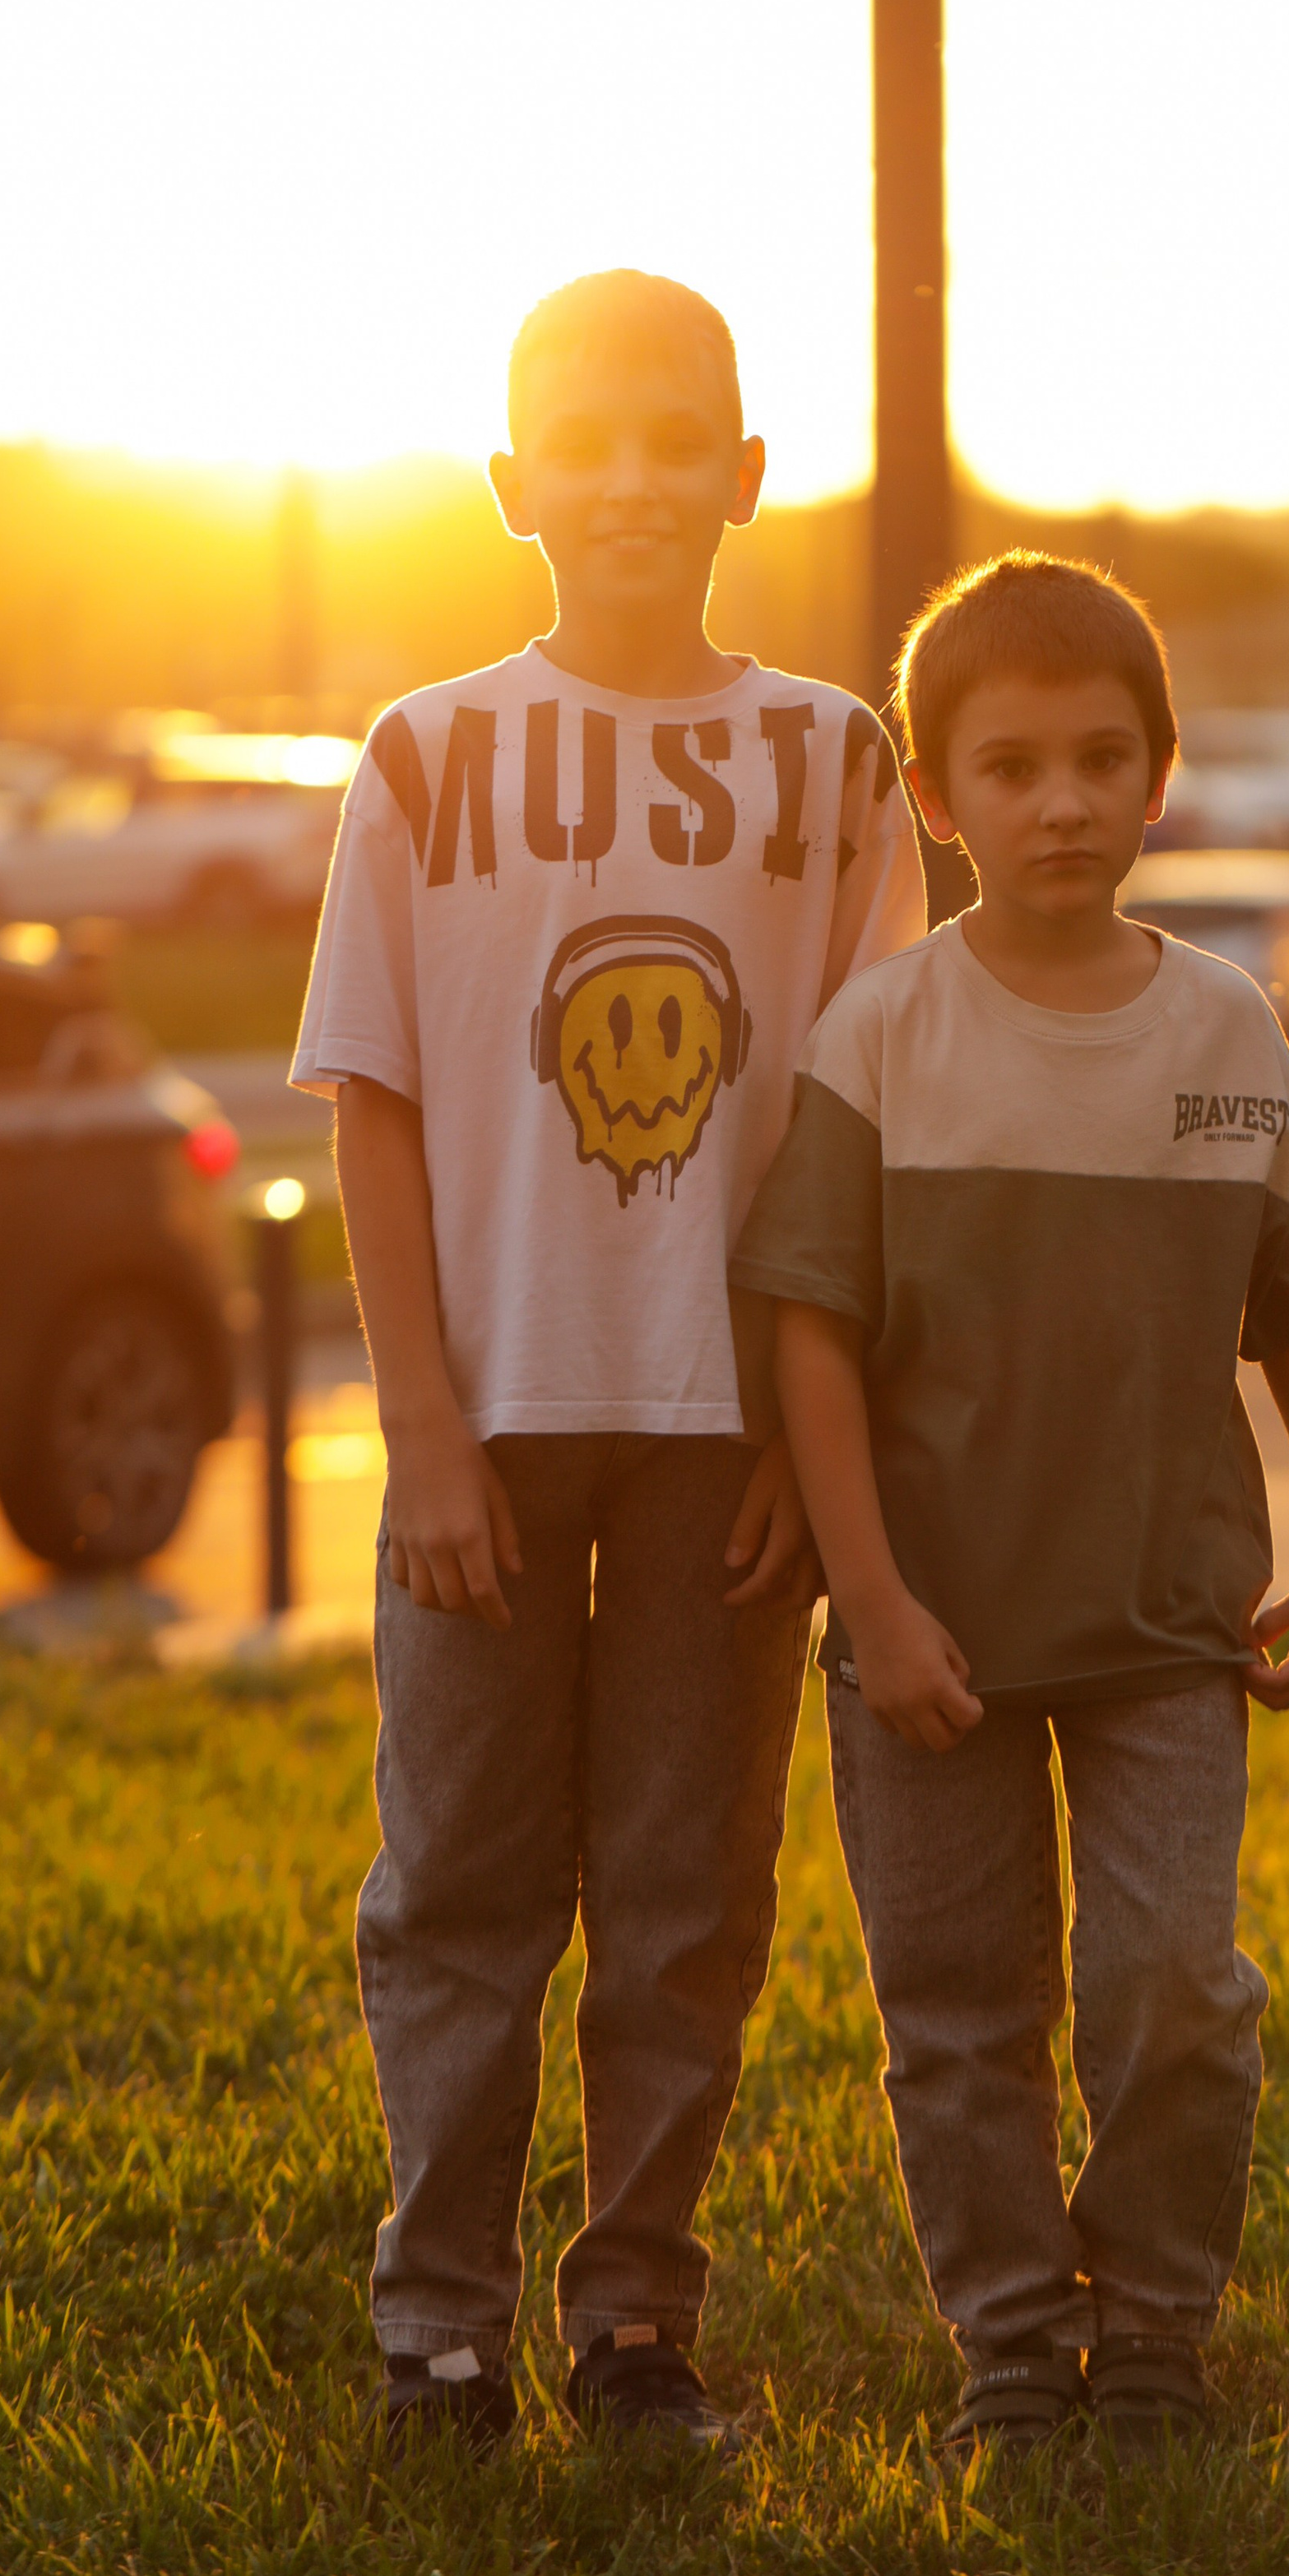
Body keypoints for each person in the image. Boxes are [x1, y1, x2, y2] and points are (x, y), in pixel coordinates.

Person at [290, 269, 925, 2454]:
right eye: (593, 438)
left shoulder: (837, 764)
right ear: (512, 483)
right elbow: (370, 1102)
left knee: (685, 1893)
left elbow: (859, 1143)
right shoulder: (421, 754)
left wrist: (807, 1434)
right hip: (488, 1427)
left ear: (752, 479)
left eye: (686, 440)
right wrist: (423, 1428)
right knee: (460, 1884)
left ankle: (638, 2323)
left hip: (723, 1442)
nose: (640, 478)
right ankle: (440, 2326)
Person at [731, 553, 1289, 2455]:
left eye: (1103, 758)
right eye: (1008, 769)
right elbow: (812, 1339)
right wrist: (871, 1591)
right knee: (956, 2010)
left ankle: (1156, 2332)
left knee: (1174, 1981)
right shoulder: (878, 1038)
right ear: (933, 802)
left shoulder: (1227, 1036)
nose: (1063, 801)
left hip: (1170, 1626)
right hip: (924, 1632)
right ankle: (1013, 2349)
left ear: (1161, 774)